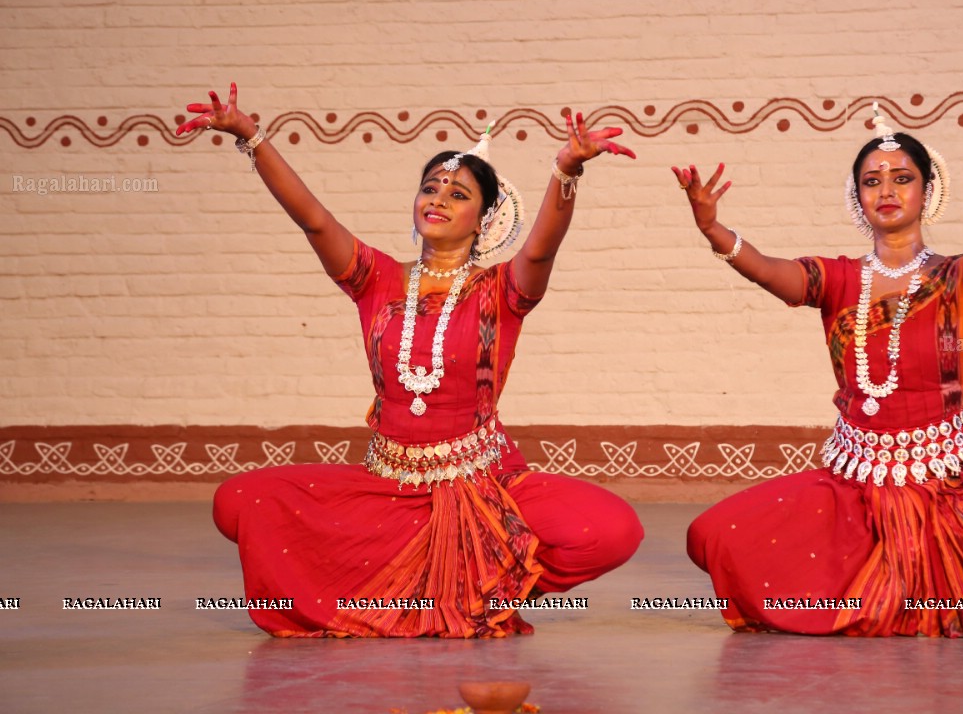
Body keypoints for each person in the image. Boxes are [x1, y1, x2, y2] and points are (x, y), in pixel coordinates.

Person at [177, 83, 643, 638]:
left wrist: (566, 172)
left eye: (458, 194)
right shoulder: (375, 277)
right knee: (238, 501)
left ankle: (483, 580)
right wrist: (252, 138)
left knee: (611, 530)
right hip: (393, 487)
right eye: (430, 187)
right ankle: (430, 579)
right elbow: (315, 220)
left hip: (482, 482)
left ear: (485, 218)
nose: (439, 199)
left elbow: (541, 248)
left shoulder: (503, 289)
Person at [676, 106, 963, 638]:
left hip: (951, 476)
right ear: (857, 197)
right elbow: (770, 271)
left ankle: (954, 572)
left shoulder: (959, 277)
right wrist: (713, 228)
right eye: (871, 181)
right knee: (712, 535)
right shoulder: (835, 279)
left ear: (927, 191)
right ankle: (881, 573)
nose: (887, 190)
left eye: (903, 178)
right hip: (857, 478)